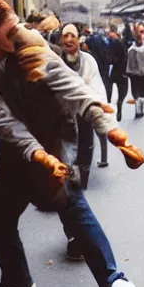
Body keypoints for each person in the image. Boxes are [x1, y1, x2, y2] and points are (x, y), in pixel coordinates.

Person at [0, 0, 141, 287]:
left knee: (72, 205)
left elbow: (70, 85)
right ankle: (18, 285)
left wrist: (109, 128)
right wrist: (35, 154)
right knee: (0, 222)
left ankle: (117, 283)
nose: (16, 29)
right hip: (16, 145)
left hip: (52, 131)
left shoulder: (26, 41)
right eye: (9, 28)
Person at [60, 23, 109, 183]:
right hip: (62, 113)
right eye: (65, 36)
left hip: (84, 110)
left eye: (72, 36)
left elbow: (96, 84)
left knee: (85, 145)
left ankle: (81, 177)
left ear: (78, 40)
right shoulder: (55, 60)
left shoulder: (88, 60)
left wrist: (99, 105)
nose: (68, 40)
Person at [105, 26, 128, 122]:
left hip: (112, 71)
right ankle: (117, 106)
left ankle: (111, 106)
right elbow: (124, 58)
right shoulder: (119, 43)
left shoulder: (109, 42)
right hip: (119, 71)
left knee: (109, 91)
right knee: (122, 92)